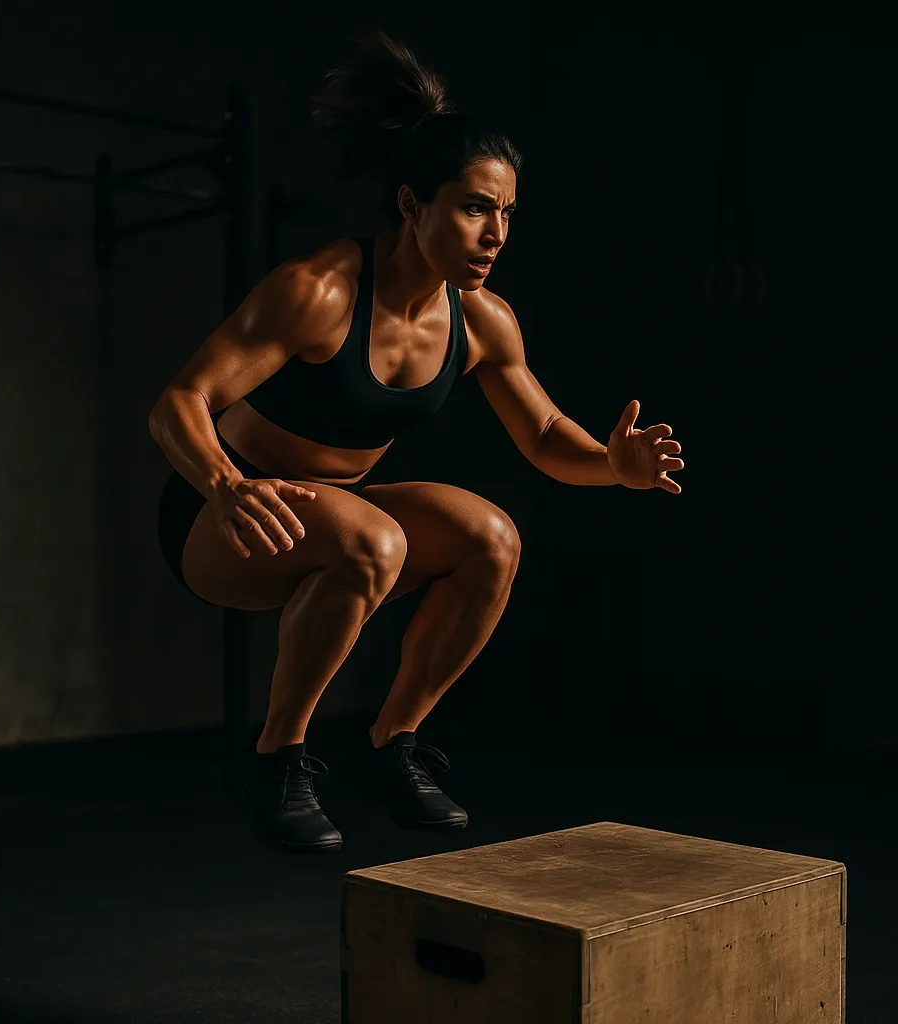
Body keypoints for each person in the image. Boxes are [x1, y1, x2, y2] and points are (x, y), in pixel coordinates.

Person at [148, 30, 684, 855]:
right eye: (475, 208)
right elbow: (178, 402)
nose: (497, 232)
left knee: (491, 539)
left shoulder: (480, 322)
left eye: (506, 212)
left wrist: (614, 466)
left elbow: (543, 435)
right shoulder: (319, 291)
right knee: (375, 538)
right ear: (410, 205)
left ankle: (387, 744)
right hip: (217, 517)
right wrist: (225, 484)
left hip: (341, 521)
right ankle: (275, 759)